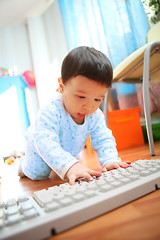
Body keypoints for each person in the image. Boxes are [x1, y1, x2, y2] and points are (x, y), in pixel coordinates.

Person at [19, 46, 131, 185]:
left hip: (67, 148)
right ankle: (23, 166)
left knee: (70, 163)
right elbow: (45, 141)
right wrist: (70, 166)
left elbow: (103, 139)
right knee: (38, 173)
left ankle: (63, 163)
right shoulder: (51, 109)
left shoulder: (94, 114)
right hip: (38, 146)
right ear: (62, 86)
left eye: (97, 99)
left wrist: (110, 160)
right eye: (81, 96)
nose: (89, 106)